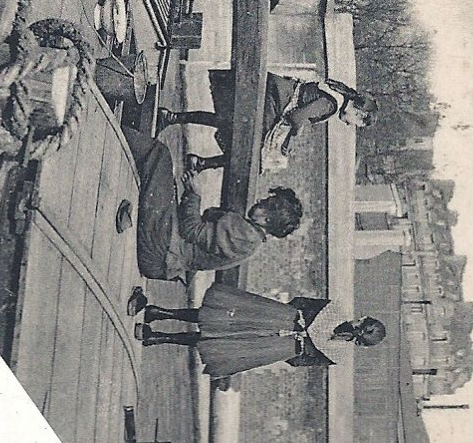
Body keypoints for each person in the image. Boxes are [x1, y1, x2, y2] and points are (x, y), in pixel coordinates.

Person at [122, 127, 303, 284]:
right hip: (165, 259)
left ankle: (102, 116)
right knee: (165, 180)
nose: (259, 202)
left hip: (161, 250)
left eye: (265, 204)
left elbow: (190, 230)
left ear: (267, 219)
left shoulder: (246, 234)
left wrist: (194, 193)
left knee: (159, 155)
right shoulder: (251, 240)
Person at [132, 287, 386, 380]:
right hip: (276, 320)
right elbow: (301, 301)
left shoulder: (335, 354)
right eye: (359, 328)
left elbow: (300, 362)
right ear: (361, 319)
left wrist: (291, 345)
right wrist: (294, 323)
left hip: (279, 343)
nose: (353, 332)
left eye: (358, 335)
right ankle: (159, 314)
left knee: (218, 343)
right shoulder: (333, 310)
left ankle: (158, 335)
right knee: (218, 316)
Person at [157, 72, 377, 173]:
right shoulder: (332, 104)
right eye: (355, 123)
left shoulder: (336, 90)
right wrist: (290, 141)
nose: (350, 125)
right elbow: (296, 117)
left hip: (274, 93)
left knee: (231, 123)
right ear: (357, 112)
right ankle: (201, 163)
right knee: (256, 156)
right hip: (272, 100)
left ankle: (174, 119)